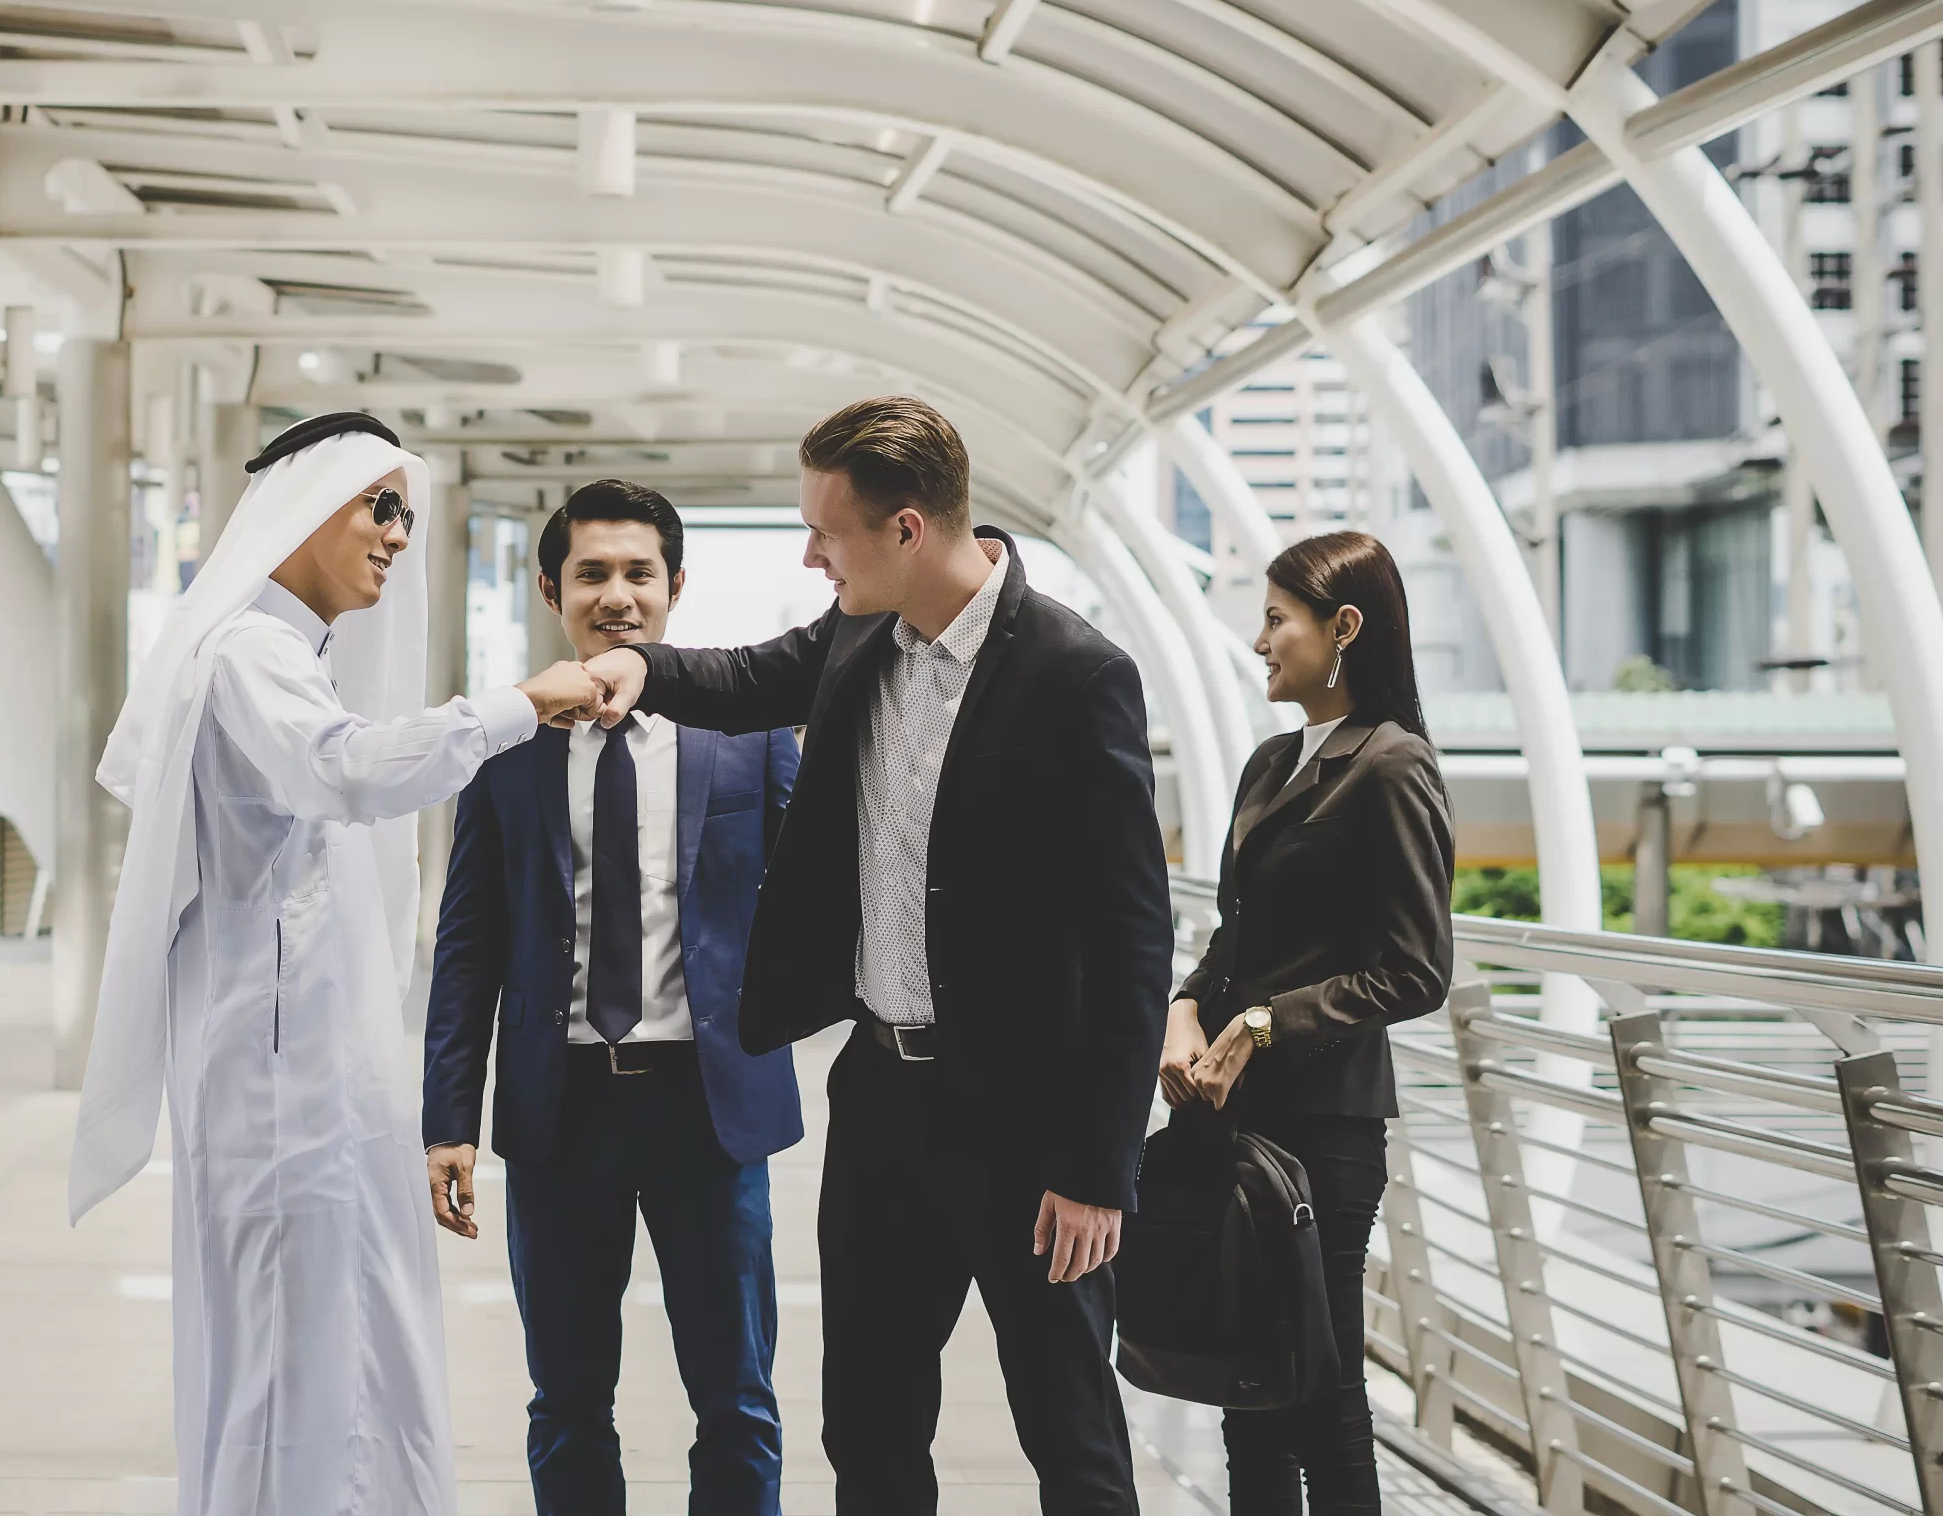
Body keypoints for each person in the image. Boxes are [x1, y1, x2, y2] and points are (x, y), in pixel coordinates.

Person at [583, 397, 1174, 1515]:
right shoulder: (858, 632)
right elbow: (751, 676)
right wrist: (639, 671)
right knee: (867, 1420)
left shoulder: (1074, 672)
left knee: (1067, 1429)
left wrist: (1100, 1168)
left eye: (825, 531)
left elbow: (1134, 937)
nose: (810, 555)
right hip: (883, 1104)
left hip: (1029, 1122)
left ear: (906, 529)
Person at [66, 411, 605, 1516]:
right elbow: (344, 772)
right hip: (278, 1090)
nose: (399, 535)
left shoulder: (289, 659)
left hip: (321, 1081)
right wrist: (517, 704)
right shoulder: (249, 657)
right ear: (306, 510)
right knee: (287, 1357)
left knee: (350, 1344)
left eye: (405, 512)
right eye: (380, 506)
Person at [423, 479, 803, 1516]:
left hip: (708, 1106)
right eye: (592, 573)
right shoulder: (505, 748)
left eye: (640, 572)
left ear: (676, 586)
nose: (617, 594)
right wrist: (447, 1117)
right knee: (567, 1396)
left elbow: (816, 888)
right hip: (563, 1109)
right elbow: (470, 943)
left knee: (735, 1396)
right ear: (553, 589)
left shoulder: (750, 732)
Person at [1160, 531, 1453, 1516]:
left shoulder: (1391, 766)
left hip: (1325, 1126)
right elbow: (1234, 937)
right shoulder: (1269, 763)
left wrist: (1261, 1026)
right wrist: (1187, 1008)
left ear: (1344, 628)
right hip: (1234, 1116)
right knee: (1243, 1382)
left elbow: (1416, 970)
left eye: (1277, 620)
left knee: (1321, 1388)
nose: (1259, 643)